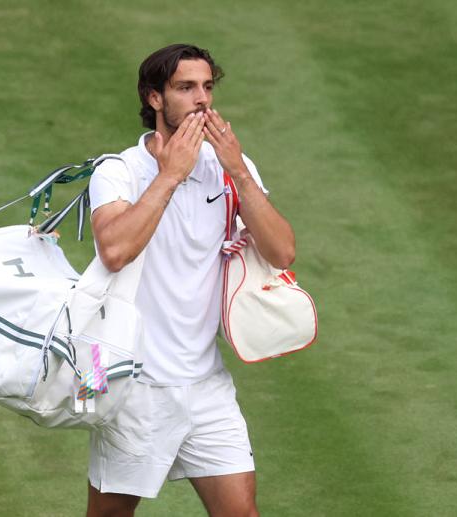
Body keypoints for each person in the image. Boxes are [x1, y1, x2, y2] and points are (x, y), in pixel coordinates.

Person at [86, 43, 295, 517]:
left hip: (206, 387)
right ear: (154, 98)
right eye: (185, 88)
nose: (202, 99)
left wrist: (239, 169)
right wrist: (171, 176)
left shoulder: (229, 171)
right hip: (132, 388)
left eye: (207, 87)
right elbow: (115, 250)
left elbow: (282, 252)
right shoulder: (117, 171)